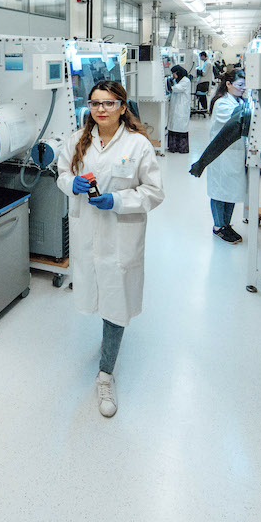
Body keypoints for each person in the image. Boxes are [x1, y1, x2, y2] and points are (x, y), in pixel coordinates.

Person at [56, 80, 164, 418]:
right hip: (88, 234)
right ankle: (106, 351)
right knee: (95, 293)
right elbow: (61, 173)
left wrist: (117, 200)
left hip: (120, 236)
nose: (101, 109)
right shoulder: (77, 139)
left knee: (116, 303)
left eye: (109, 103)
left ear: (122, 107)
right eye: (95, 103)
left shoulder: (137, 144)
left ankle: (105, 375)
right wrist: (70, 183)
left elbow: (154, 192)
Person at [202, 67, 249, 244]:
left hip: (235, 154)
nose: (243, 88)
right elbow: (239, 120)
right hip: (222, 155)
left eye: (245, 85)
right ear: (228, 84)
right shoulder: (222, 103)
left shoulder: (238, 101)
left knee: (232, 191)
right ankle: (218, 227)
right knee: (219, 191)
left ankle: (226, 225)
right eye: (240, 84)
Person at [167, 65, 191, 153]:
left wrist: (169, 84)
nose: (173, 75)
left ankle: (182, 148)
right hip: (176, 107)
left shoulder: (185, 81)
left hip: (181, 108)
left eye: (174, 73)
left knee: (180, 127)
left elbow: (177, 88)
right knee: (174, 126)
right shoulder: (178, 81)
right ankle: (173, 147)